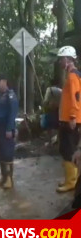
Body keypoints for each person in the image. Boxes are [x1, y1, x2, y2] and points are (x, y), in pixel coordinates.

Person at [57, 46, 81, 193]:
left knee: (68, 150)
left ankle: (71, 182)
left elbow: (76, 98)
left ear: (68, 59)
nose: (60, 61)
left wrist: (72, 116)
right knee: (66, 149)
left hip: (71, 120)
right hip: (69, 119)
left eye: (61, 59)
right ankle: (70, 179)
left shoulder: (73, 77)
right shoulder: (73, 75)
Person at [0, 74, 19, 189]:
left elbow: (12, 113)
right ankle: (3, 177)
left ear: (5, 81)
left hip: (6, 127)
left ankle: (9, 179)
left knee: (7, 153)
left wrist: (9, 129)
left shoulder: (10, 96)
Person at [42, 79, 62, 146]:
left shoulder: (49, 89)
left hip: (51, 110)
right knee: (59, 126)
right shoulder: (61, 91)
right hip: (59, 110)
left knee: (49, 126)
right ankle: (59, 141)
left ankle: (50, 141)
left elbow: (46, 100)